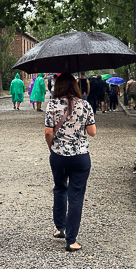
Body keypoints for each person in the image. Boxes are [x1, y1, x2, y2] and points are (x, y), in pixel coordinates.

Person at [44, 73, 96, 252]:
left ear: (57, 86)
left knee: (59, 188)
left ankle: (60, 228)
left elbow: (48, 132)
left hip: (58, 154)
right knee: (76, 195)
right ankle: (71, 240)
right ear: (75, 86)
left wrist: (53, 147)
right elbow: (92, 132)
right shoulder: (85, 105)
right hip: (80, 156)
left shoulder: (52, 105)